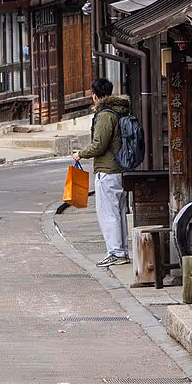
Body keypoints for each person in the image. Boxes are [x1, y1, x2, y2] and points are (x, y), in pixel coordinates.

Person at [73, 77, 131, 268]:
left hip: (108, 170)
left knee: (108, 213)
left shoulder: (106, 115)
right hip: (120, 169)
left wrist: (80, 154)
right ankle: (121, 250)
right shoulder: (120, 111)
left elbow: (99, 145)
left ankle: (115, 252)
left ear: (94, 96)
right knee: (119, 212)